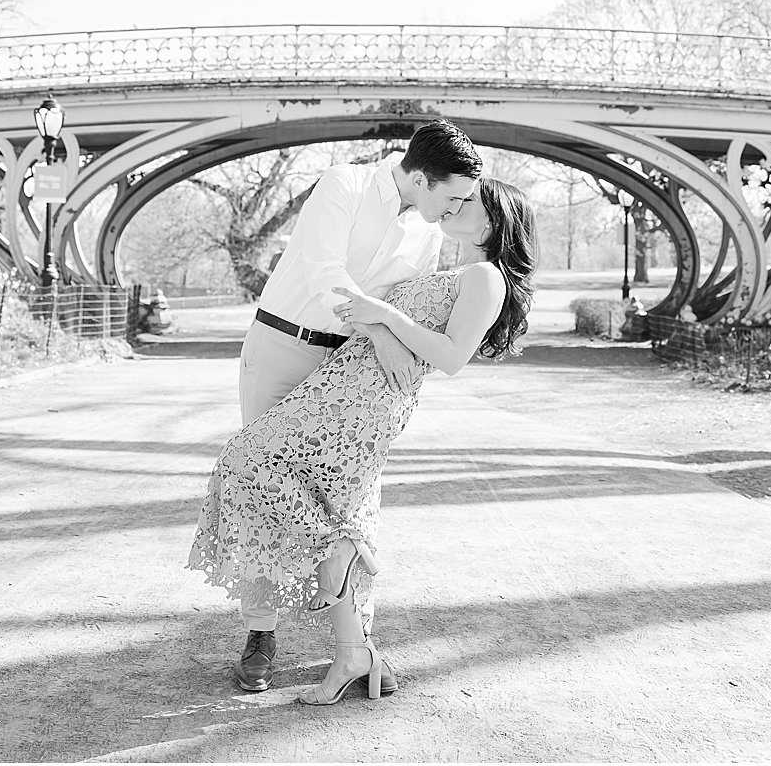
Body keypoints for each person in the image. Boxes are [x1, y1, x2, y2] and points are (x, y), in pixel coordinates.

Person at [188, 178, 538, 705]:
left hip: (366, 398)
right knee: (264, 469)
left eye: (466, 203)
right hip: (344, 381)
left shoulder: (487, 276)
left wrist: (384, 315)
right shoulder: (453, 264)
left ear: (490, 221)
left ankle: (340, 556)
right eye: (455, 196)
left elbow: (451, 357)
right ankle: (353, 637)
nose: (453, 206)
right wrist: (378, 322)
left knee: (247, 459)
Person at [216, 118, 483, 696]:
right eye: (453, 195)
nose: (458, 208)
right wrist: (384, 333)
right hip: (284, 345)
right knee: (265, 486)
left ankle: (354, 645)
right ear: (418, 176)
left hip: (351, 370)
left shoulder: (429, 230)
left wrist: (393, 343)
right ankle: (260, 633)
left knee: (349, 502)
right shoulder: (345, 185)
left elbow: (405, 305)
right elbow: (323, 274)